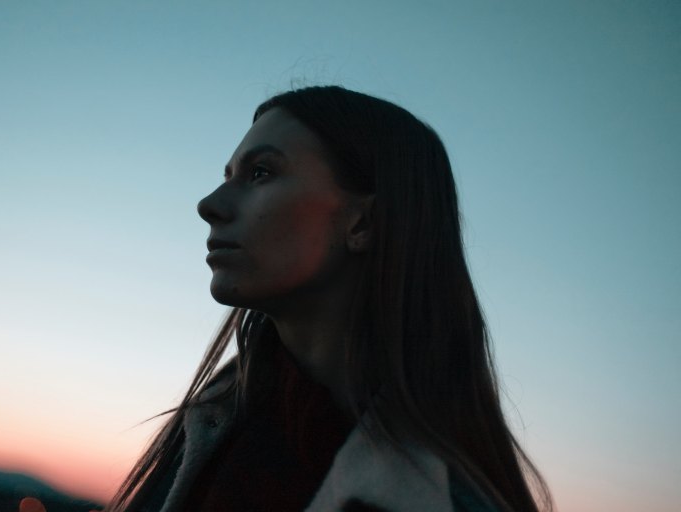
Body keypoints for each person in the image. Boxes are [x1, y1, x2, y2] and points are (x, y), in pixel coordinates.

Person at [107, 86, 552, 512]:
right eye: (227, 176)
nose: (210, 204)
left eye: (260, 172)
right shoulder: (209, 430)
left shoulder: (437, 499)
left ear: (361, 224)